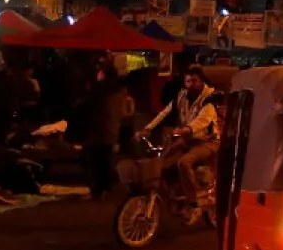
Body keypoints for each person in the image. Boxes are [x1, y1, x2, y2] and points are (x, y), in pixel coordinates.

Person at [141, 65, 220, 197]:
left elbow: (202, 121)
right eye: (188, 81)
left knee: (184, 162)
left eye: (194, 81)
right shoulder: (182, 96)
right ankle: (175, 191)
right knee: (164, 159)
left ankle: (194, 195)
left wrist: (186, 129)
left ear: (201, 81)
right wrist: (148, 128)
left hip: (207, 141)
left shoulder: (209, 99)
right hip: (188, 139)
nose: (190, 84)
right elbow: (165, 112)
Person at [81, 58, 128, 199]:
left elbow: (88, 106)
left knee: (93, 161)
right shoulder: (119, 90)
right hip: (110, 131)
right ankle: (105, 188)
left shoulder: (99, 89)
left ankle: (96, 190)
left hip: (96, 130)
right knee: (104, 161)